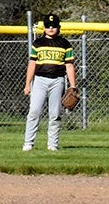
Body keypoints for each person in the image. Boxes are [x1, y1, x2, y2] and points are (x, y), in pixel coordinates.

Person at [23, 12, 76, 152]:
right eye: (47, 26)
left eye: (53, 26)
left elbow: (69, 65)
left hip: (57, 80)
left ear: (59, 27)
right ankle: (28, 143)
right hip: (39, 80)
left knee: (55, 113)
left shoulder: (65, 44)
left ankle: (53, 144)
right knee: (34, 111)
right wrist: (28, 84)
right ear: (44, 28)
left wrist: (73, 85)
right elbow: (32, 64)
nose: (50, 28)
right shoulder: (38, 43)